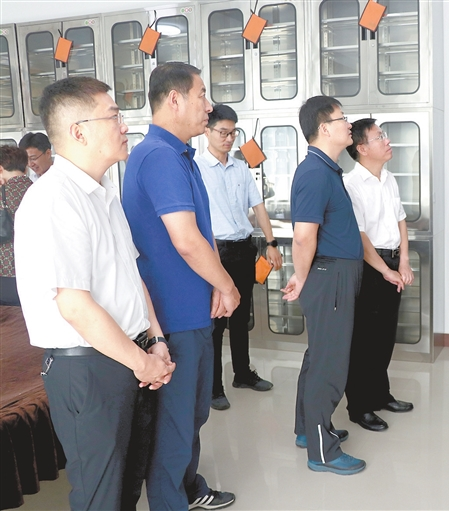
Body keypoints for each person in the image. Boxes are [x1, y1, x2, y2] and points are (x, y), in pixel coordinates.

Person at [13, 76, 175, 510]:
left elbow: (132, 278)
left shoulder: (103, 195)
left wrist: (156, 340)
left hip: (129, 355)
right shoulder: (53, 200)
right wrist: (142, 361)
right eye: (114, 116)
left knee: (127, 485)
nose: (125, 126)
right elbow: (75, 306)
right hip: (88, 368)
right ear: (79, 131)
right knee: (100, 495)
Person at [122, 62, 239, 510]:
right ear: (174, 99)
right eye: (201, 95)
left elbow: (200, 235)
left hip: (191, 310)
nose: (208, 106)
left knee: (192, 413)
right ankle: (171, 501)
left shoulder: (178, 155)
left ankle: (188, 488)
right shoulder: (158, 156)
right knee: (175, 422)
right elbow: (186, 240)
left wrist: (215, 285)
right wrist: (227, 286)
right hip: (172, 316)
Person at [282, 95, 366, 475]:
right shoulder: (315, 173)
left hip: (333, 274)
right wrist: (301, 277)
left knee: (319, 356)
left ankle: (308, 429)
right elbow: (304, 237)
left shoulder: (327, 169)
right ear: (324, 128)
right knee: (328, 365)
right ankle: (322, 451)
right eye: (342, 118)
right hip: (329, 277)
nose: (349, 124)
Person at [196, 104, 283, 411]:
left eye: (233, 133)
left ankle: (242, 374)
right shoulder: (196, 168)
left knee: (241, 317)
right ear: (206, 132)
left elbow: (258, 207)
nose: (229, 138)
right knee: (217, 321)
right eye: (223, 132)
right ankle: (213, 387)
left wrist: (271, 242)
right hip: (216, 253)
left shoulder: (241, 168)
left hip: (244, 248)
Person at [343, 118, 415, 432]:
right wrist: (385, 270)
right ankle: (359, 407)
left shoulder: (389, 178)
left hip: (392, 263)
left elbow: (401, 220)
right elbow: (359, 236)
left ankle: (380, 394)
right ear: (361, 148)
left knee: (385, 336)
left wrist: (404, 262)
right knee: (363, 341)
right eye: (379, 136)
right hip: (369, 268)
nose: (387, 141)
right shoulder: (351, 184)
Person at [0, 146, 33, 306]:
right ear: (25, 167)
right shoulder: (39, 189)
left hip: (6, 272)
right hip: (36, 272)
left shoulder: (2, 194)